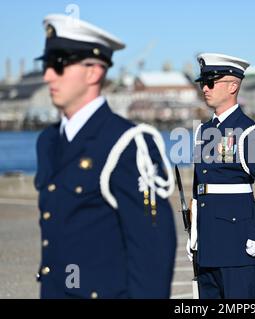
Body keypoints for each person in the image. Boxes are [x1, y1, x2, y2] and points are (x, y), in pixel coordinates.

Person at [34, 14, 176, 299]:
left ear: (93, 72)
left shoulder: (127, 143)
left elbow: (152, 252)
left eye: (59, 64)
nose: (48, 74)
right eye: (47, 64)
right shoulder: (48, 141)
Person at [187, 53, 255, 299]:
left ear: (233, 86)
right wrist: (195, 233)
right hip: (207, 243)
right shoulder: (205, 130)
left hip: (237, 243)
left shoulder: (248, 132)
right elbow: (201, 187)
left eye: (212, 82)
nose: (205, 88)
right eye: (203, 82)